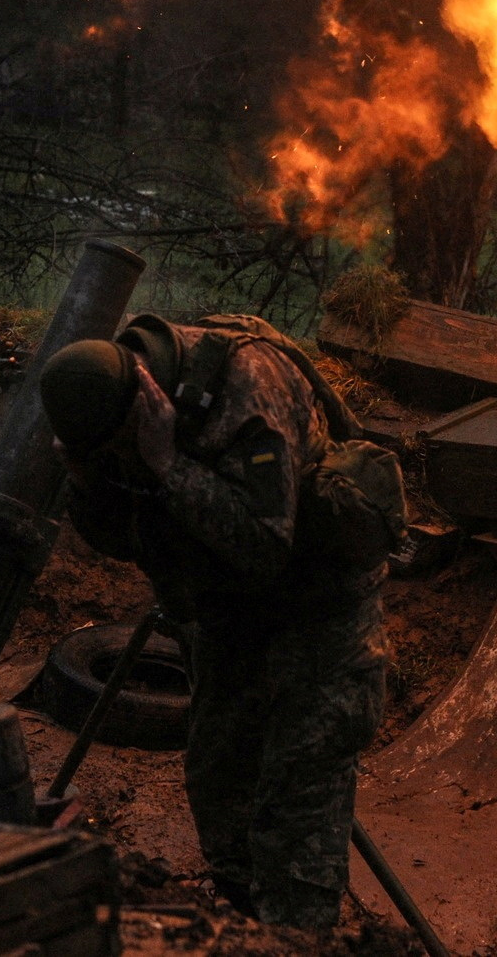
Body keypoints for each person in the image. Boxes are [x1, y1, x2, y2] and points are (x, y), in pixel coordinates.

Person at [39, 314, 392, 929]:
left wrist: (168, 464)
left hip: (320, 627)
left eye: (123, 447)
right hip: (233, 624)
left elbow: (263, 546)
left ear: (143, 398)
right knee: (221, 801)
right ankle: (242, 926)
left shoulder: (248, 390)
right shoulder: (111, 400)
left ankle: (295, 937)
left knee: (294, 838)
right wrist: (88, 481)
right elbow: (128, 537)